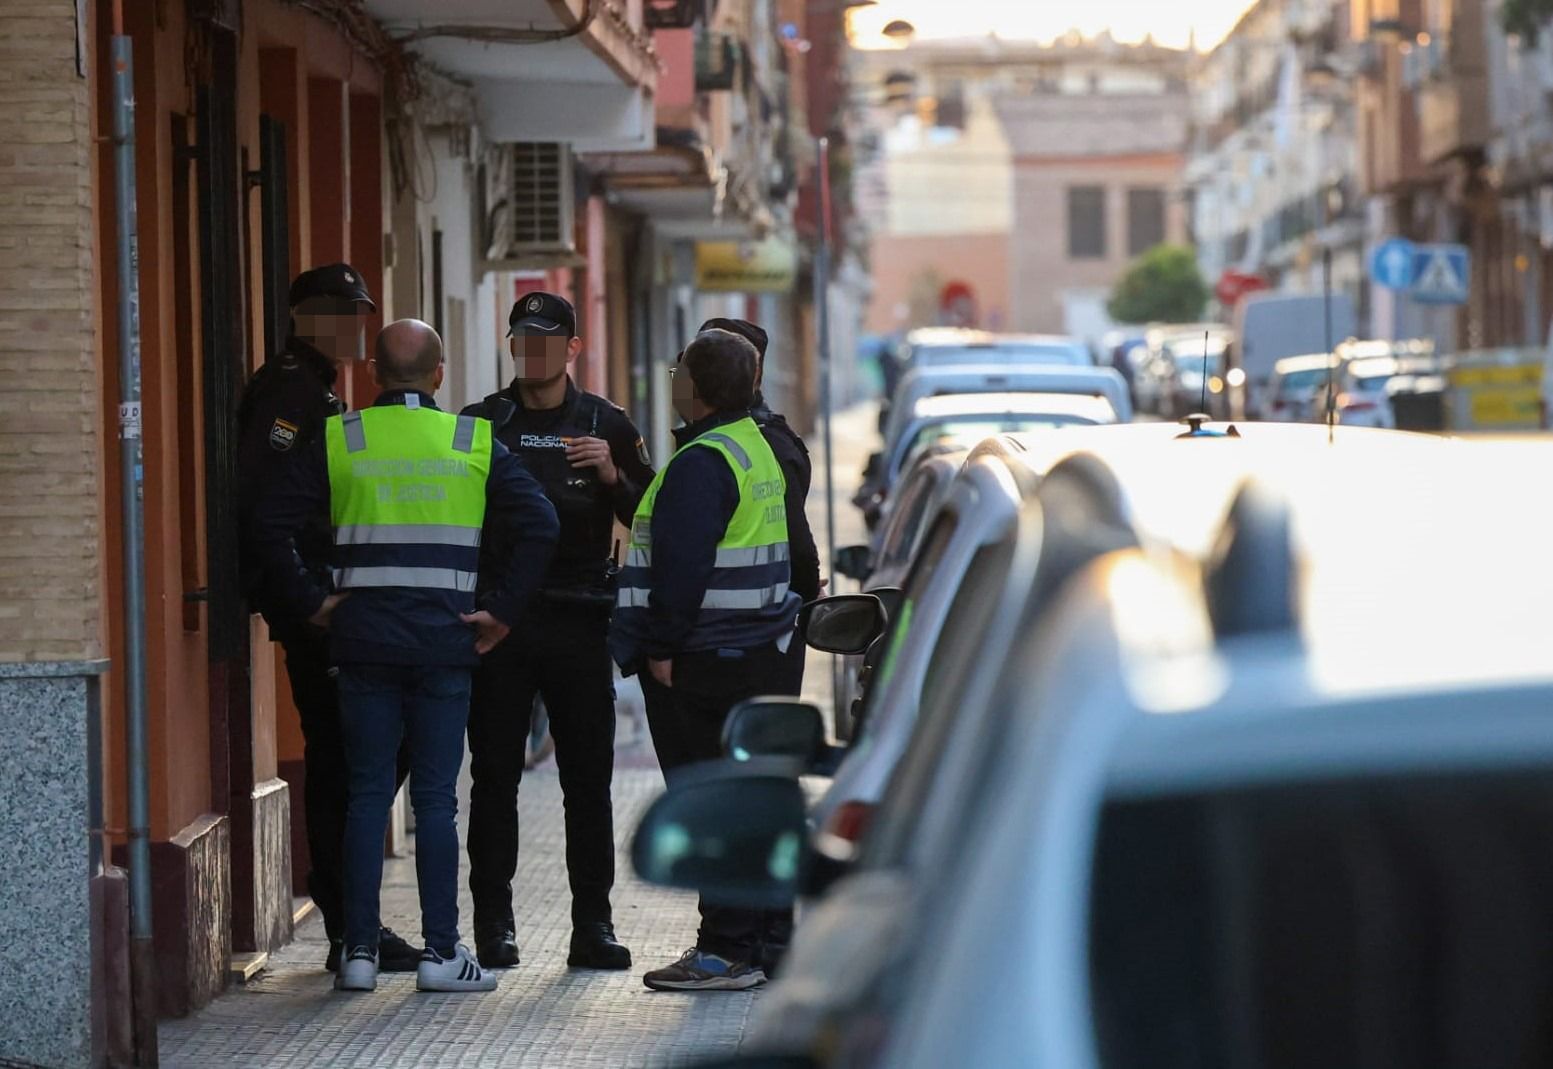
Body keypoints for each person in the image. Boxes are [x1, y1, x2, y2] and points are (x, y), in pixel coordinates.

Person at [254, 319, 559, 994]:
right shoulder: (470, 439)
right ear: (440, 374)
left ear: (372, 375)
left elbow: (270, 523)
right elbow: (542, 522)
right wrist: (502, 612)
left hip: (361, 641)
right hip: (446, 643)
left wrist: (311, 600)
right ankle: (442, 955)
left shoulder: (343, 437)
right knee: (436, 802)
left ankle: (357, 953)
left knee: (366, 796)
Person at [234, 263, 418, 974]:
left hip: (328, 603)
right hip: (316, 612)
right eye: (339, 313)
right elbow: (262, 508)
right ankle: (349, 925)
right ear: (302, 315)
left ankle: (352, 920)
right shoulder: (292, 391)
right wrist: (308, 600)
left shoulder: (319, 389)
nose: (352, 326)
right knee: (348, 759)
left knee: (361, 754)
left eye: (360, 314)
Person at [462, 292, 652, 971]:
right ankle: (493, 921)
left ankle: (592, 925)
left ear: (572, 347)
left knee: (587, 781)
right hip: (501, 627)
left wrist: (611, 473)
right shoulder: (483, 422)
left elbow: (651, 514)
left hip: (579, 622)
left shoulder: (605, 421)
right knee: (492, 779)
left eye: (547, 338)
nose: (533, 349)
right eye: (522, 338)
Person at [611, 328, 802, 992]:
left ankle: (725, 950)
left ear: (689, 387)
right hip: (754, 652)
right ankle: (769, 940)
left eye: (678, 371)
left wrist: (660, 648)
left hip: (704, 662)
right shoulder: (756, 447)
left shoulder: (700, 461)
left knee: (709, 801)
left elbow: (681, 569)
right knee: (749, 799)